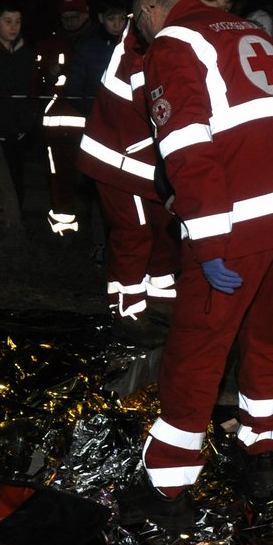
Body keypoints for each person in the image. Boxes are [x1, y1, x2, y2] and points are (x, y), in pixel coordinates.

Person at [129, 0, 273, 510]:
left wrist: (207, 240)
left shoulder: (173, 44)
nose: (139, 33)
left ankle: (167, 485)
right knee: (263, 336)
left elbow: (188, 147)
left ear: (151, 10)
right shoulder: (246, 31)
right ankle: (260, 452)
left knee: (197, 347)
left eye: (137, 22)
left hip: (240, 222)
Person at [76, 20, 178, 339]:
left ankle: (160, 299)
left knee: (166, 228)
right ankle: (126, 308)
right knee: (134, 233)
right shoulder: (140, 51)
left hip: (149, 160)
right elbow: (160, 104)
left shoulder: (162, 42)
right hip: (120, 160)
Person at [37, 0, 97, 235]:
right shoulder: (50, 44)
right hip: (59, 129)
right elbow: (35, 84)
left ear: (87, 13)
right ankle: (64, 231)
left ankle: (100, 233)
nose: (70, 21)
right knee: (61, 179)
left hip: (95, 127)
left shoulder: (101, 41)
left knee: (98, 181)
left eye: (76, 15)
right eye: (65, 17)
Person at [0, 0, 36, 215]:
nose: (13, 27)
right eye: (8, 21)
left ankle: (14, 225)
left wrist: (28, 119)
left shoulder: (25, 52)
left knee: (15, 180)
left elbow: (29, 90)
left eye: (17, 22)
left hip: (17, 130)